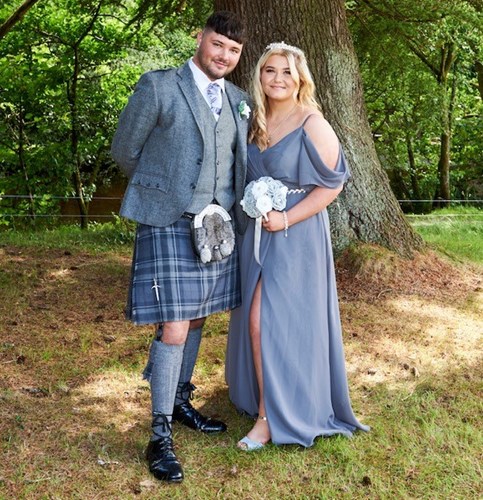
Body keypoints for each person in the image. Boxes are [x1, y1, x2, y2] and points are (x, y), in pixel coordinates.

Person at [111, 11, 250, 482]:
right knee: (173, 326)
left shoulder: (238, 100)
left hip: (218, 226)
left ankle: (179, 399)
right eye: (218, 45)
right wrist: (161, 191)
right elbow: (124, 150)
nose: (224, 56)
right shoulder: (158, 86)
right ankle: (159, 434)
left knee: (196, 317)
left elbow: (237, 161)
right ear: (201, 39)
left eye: (233, 50)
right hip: (169, 220)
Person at [225, 42, 369, 450]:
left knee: (270, 321)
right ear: (259, 76)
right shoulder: (254, 119)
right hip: (257, 232)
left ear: (299, 77)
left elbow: (334, 184)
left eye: (286, 72)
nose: (277, 79)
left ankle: (269, 419)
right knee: (255, 318)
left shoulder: (312, 122)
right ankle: (266, 399)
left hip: (296, 235)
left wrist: (286, 217)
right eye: (270, 71)